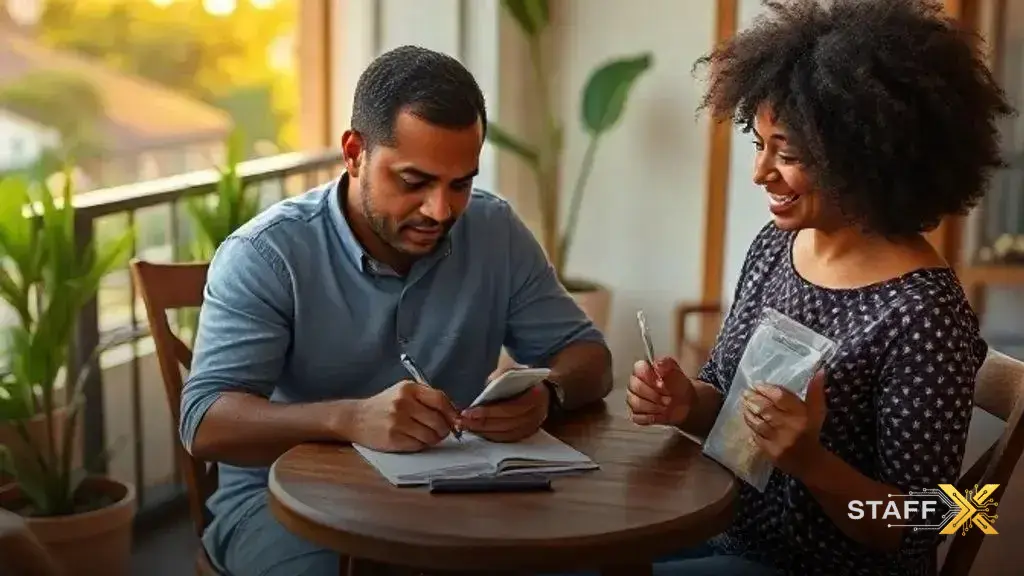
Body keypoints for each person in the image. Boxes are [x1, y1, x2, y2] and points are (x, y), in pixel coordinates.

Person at [180, 45, 613, 576]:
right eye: (414, 182)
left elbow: (589, 356)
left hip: (459, 495)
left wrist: (549, 393)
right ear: (354, 152)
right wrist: (349, 418)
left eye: (461, 183)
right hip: (290, 505)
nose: (440, 210)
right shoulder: (268, 254)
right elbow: (204, 423)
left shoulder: (494, 231)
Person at [628, 1, 1013, 575]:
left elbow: (926, 524)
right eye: (758, 144)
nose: (761, 173)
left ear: (864, 158)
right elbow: (725, 409)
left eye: (787, 154)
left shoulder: (923, 314)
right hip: (728, 528)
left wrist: (810, 461)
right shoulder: (777, 246)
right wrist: (687, 404)